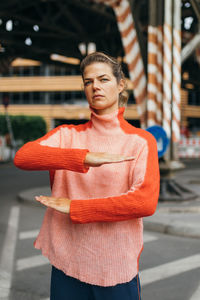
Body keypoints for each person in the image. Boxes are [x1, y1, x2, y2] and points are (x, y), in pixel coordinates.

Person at [14, 52, 160, 300]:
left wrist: (76, 208)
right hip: (67, 265)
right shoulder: (67, 135)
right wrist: (81, 158)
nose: (95, 87)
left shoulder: (140, 141)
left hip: (116, 269)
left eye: (103, 79)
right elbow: (23, 157)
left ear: (120, 84)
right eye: (88, 81)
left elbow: (144, 202)